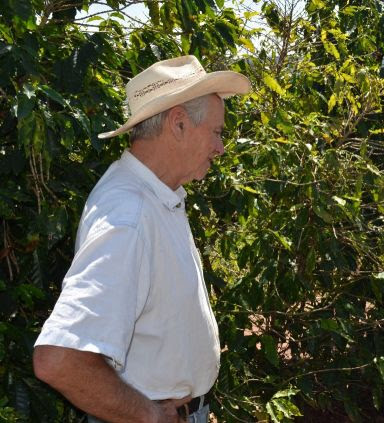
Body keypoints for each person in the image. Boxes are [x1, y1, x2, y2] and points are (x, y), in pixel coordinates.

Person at [33, 55, 250, 423]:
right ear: (179, 123)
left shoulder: (156, 197)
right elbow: (59, 359)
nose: (221, 148)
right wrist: (149, 415)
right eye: (217, 132)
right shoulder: (128, 215)